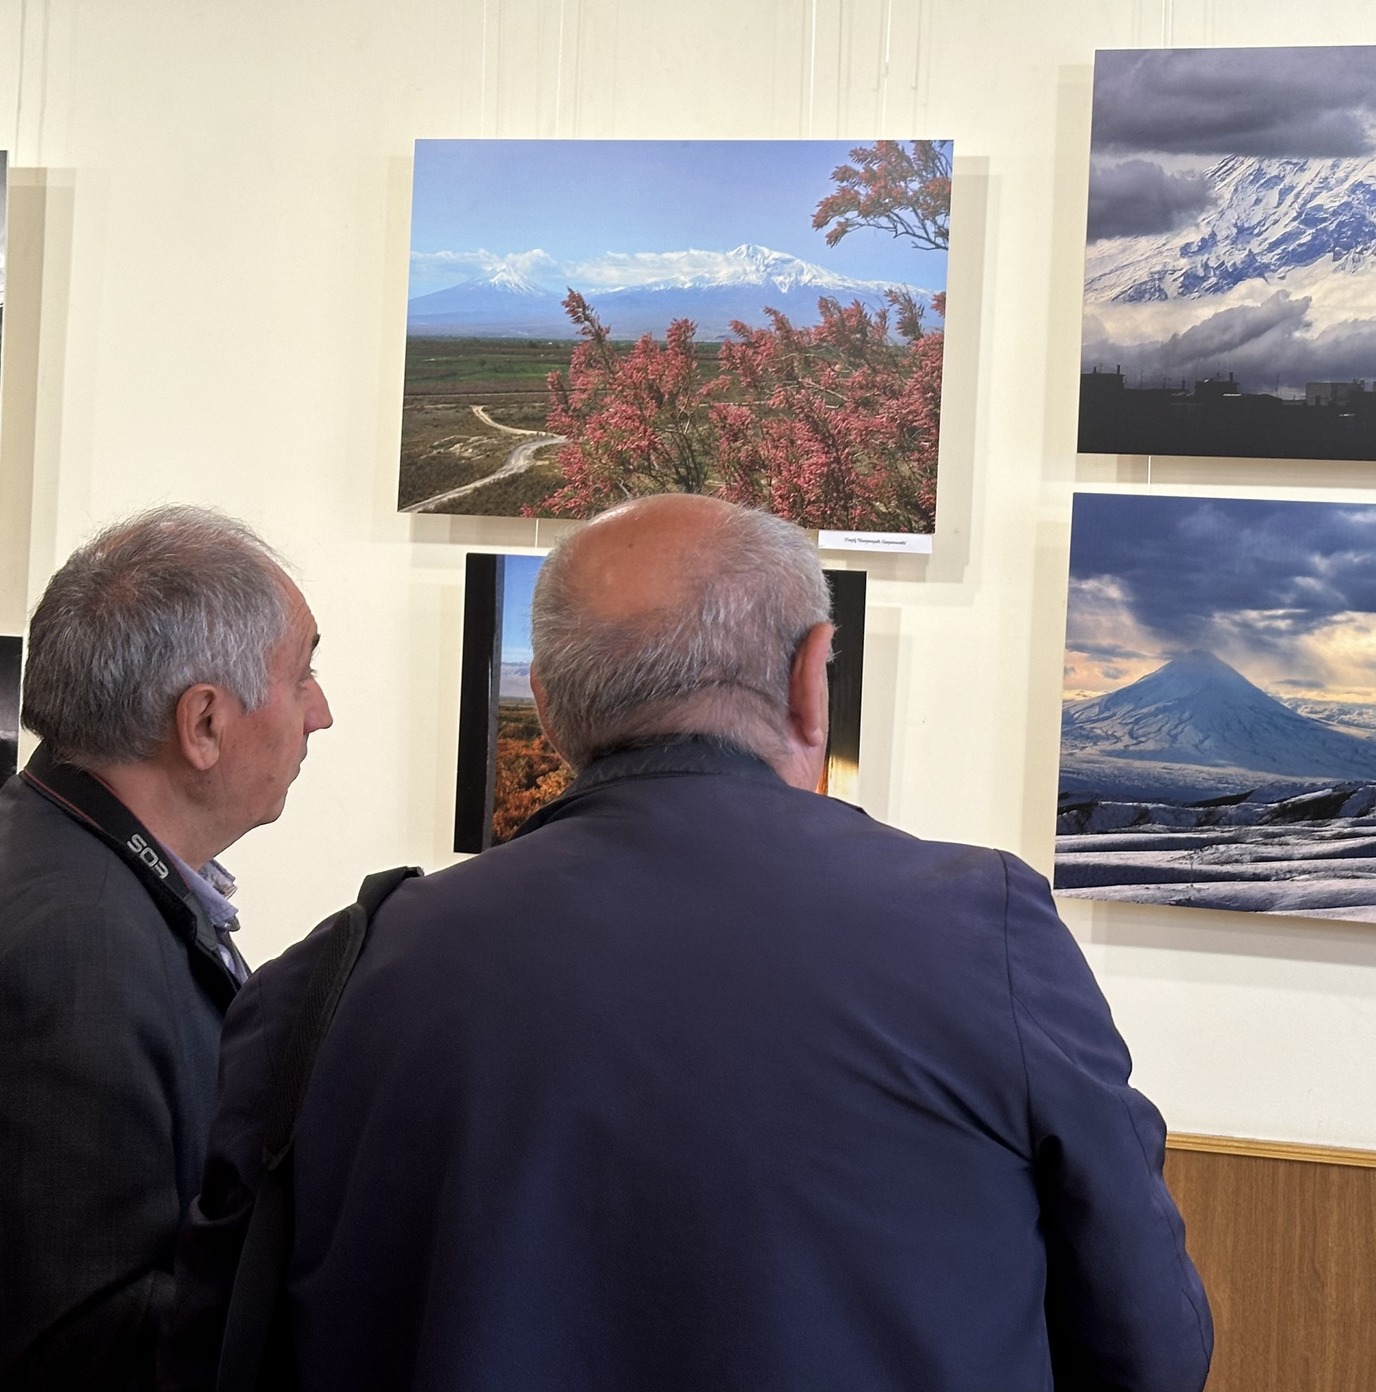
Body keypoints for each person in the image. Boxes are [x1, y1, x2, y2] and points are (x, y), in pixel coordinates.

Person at [169, 494, 1211, 1391]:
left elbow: (225, 1345)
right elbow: (1148, 1344)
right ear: (811, 681)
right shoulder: (982, 932)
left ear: (550, 705)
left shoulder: (336, 974)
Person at [0, 505, 332, 1390]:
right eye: (303, 674)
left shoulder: (64, 859)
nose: (322, 713)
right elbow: (79, 1342)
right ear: (205, 724)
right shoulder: (77, 949)